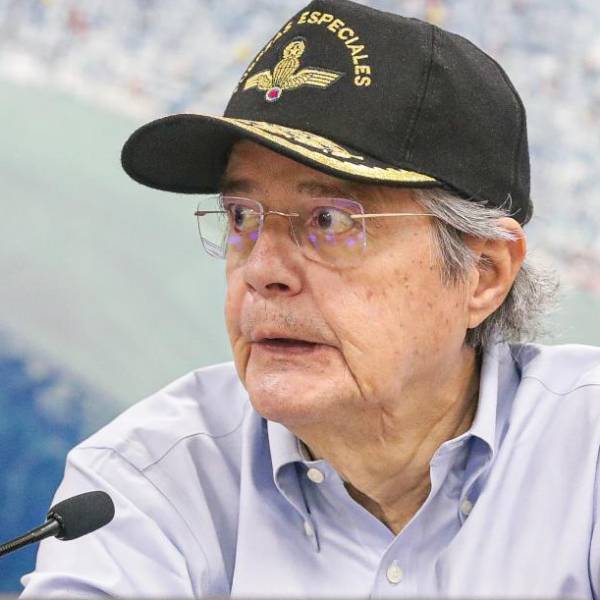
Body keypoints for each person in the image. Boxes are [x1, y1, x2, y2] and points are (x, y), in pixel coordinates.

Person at [21, 0, 600, 597]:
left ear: (483, 274)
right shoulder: (141, 484)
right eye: (242, 216)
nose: (262, 271)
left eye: (330, 220)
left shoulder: (587, 451)